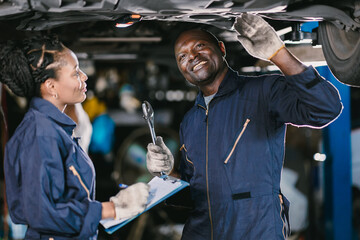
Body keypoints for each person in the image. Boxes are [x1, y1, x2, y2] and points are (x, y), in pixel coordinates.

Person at [146, 13, 343, 239]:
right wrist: (167, 172)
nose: (192, 56)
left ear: (221, 48)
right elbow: (193, 197)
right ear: (181, 69)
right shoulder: (190, 121)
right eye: (182, 56)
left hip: (254, 232)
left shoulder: (263, 92)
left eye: (200, 46)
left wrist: (278, 54)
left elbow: (326, 108)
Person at [0, 35, 150, 239]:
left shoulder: (53, 128)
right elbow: (41, 212)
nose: (84, 77)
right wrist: (113, 209)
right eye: (75, 73)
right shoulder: (41, 133)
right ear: (51, 87)